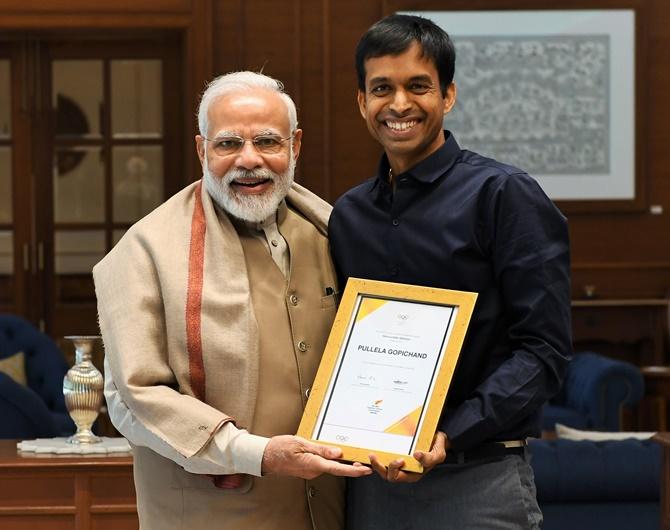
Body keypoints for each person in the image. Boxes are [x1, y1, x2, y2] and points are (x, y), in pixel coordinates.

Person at [93, 71, 370, 530]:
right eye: (227, 145)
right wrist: (257, 453)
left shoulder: (333, 233)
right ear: (202, 150)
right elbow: (132, 400)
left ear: (295, 146)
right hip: (211, 513)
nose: (249, 160)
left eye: (267, 141)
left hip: (330, 509)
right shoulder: (146, 251)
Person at [328, 14, 572, 529]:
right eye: (381, 89)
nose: (399, 104)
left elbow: (544, 351)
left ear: (448, 95)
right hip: (372, 485)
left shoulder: (504, 196)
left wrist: (451, 432)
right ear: (361, 102)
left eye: (418, 86)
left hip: (479, 480)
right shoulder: (348, 217)